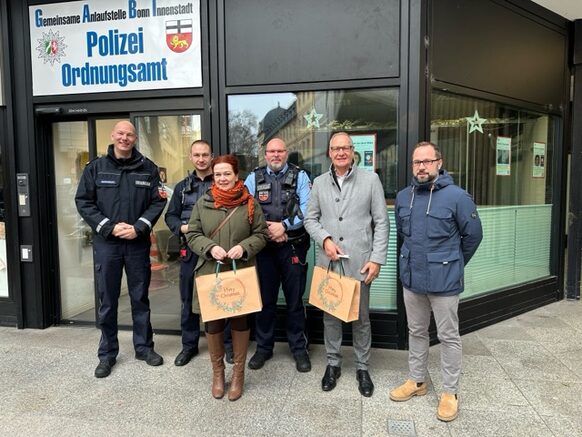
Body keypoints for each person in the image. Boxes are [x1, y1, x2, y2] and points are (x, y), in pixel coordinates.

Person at [389, 141, 483, 422]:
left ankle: (450, 392)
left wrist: (452, 264)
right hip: (412, 279)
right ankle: (417, 381)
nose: (421, 167)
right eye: (417, 162)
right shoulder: (404, 197)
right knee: (416, 331)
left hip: (444, 282)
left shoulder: (458, 197)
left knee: (448, 336)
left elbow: (473, 237)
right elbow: (404, 237)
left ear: (439, 163)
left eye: (427, 161)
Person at [75, 120, 167, 378]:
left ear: (135, 138)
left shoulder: (147, 168)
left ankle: (144, 347)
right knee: (108, 301)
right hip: (108, 244)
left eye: (129, 134)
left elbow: (158, 201)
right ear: (113, 136)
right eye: (121, 134)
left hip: (137, 244)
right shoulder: (95, 168)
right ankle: (107, 355)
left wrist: (139, 226)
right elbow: (84, 201)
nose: (125, 138)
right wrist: (108, 227)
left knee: (140, 298)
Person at [304, 132, 389, 397]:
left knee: (361, 317)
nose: (340, 152)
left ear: (353, 151)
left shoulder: (370, 180)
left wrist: (377, 258)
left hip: (360, 262)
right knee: (331, 317)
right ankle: (333, 364)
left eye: (345, 148)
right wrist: (325, 240)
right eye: (335, 148)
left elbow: (382, 222)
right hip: (330, 263)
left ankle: (362, 367)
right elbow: (310, 220)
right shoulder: (318, 183)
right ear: (329, 152)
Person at [186, 154, 267, 401]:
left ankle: (238, 374)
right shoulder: (204, 202)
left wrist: (244, 247)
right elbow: (192, 234)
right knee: (213, 324)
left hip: (239, 272)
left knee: (240, 321)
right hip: (211, 272)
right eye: (218, 174)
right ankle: (218, 374)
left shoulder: (250, 203)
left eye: (227, 174)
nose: (222, 178)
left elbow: (262, 234)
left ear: (236, 175)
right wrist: (209, 247)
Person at [244, 138, 312, 372]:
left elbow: (307, 209)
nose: (276, 155)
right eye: (271, 151)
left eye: (280, 151)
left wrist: (284, 226)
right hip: (264, 249)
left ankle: (299, 349)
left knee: (294, 301)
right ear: (265, 154)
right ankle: (264, 348)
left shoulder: (300, 176)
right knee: (264, 301)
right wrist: (269, 231)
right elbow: (246, 209)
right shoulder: (253, 178)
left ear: (286, 153)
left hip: (293, 246)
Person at [164, 140, 214, 366]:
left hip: (216, 251)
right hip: (190, 252)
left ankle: (227, 345)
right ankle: (189, 346)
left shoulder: (223, 183)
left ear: (211, 157)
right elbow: (171, 216)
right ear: (191, 157)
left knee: (221, 297)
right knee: (187, 301)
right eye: (197, 155)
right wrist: (183, 228)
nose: (201, 159)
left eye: (205, 155)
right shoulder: (182, 187)